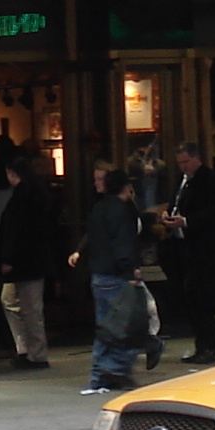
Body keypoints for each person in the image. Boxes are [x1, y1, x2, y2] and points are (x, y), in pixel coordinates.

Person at [74, 167, 146, 395]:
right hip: (116, 275)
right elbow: (123, 244)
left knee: (106, 326)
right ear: (126, 187)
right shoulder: (122, 210)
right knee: (124, 326)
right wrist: (131, 270)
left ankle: (100, 373)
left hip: (99, 273)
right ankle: (115, 370)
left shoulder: (99, 208)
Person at [158, 142, 215, 365]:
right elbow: (177, 203)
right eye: (180, 163)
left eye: (186, 162)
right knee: (189, 298)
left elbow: (214, 212)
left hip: (201, 249)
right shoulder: (183, 180)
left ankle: (210, 345)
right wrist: (168, 216)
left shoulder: (209, 179)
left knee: (201, 297)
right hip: (182, 246)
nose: (183, 167)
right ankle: (202, 344)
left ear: (196, 158)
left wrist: (187, 221)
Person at [0, 152, 56, 371]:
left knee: (24, 306)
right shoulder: (36, 195)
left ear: (12, 173)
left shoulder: (22, 197)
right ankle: (30, 349)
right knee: (26, 306)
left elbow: (15, 231)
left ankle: (33, 352)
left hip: (23, 262)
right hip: (33, 261)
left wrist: (7, 257)